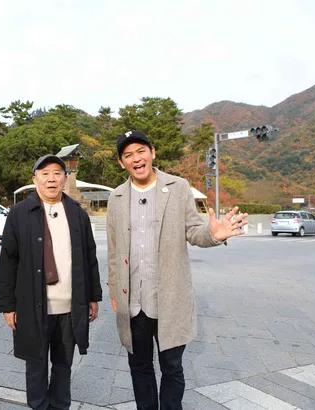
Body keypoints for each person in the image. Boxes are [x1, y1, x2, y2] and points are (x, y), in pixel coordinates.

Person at [107, 130, 249, 410]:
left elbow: (195, 231)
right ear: (122, 163)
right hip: (133, 300)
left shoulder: (178, 187)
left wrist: (214, 235)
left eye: (141, 151)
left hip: (170, 297)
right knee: (139, 366)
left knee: (172, 367)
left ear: (153, 152)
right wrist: (114, 290)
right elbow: (113, 250)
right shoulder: (117, 197)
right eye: (128, 155)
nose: (136, 159)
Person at [0, 154, 102, 410]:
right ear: (35, 180)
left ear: (65, 178)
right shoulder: (20, 213)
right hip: (33, 306)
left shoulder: (77, 213)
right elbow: (8, 260)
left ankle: (60, 406)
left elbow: (89, 256)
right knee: (36, 366)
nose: (51, 179)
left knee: (64, 365)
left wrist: (93, 296)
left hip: (70, 306)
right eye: (45, 174)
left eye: (57, 173)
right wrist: (7, 305)